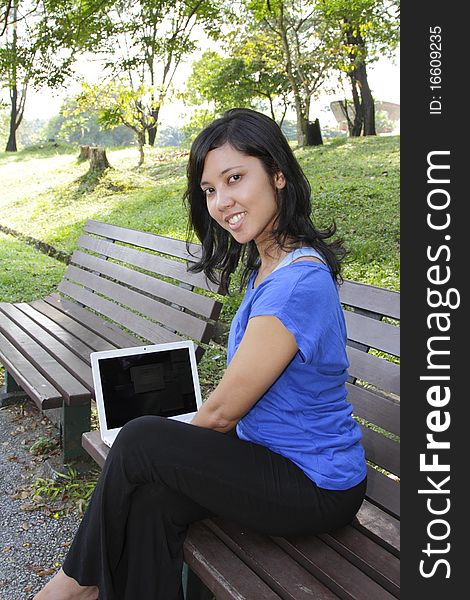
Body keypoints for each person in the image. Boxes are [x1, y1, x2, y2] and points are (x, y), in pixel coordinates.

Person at [34, 108, 367, 600]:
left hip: (315, 484)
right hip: (268, 457)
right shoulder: (270, 265)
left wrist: (169, 450)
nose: (221, 201)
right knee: (150, 502)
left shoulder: (296, 283)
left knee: (142, 439)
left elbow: (221, 414)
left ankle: (72, 587)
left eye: (235, 179)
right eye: (210, 189)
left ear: (278, 174)